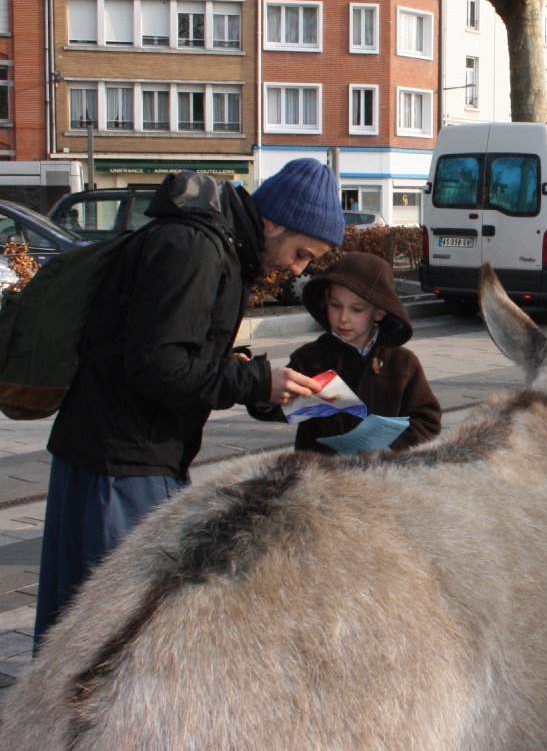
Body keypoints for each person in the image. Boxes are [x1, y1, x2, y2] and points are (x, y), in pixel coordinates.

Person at [35, 158, 345, 646]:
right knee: (115, 638)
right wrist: (254, 383)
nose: (297, 269)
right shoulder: (195, 248)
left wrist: (242, 370)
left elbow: (165, 348)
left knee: (87, 629)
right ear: (273, 222)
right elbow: (155, 366)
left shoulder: (213, 244)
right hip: (123, 462)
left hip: (116, 451)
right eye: (301, 253)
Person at [249, 252, 442, 453]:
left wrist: (391, 450)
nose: (343, 318)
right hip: (322, 475)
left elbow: (427, 421)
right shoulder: (311, 358)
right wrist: (263, 393)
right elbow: (279, 408)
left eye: (356, 310)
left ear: (379, 311)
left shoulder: (402, 363)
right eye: (335, 306)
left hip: (381, 477)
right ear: (326, 301)